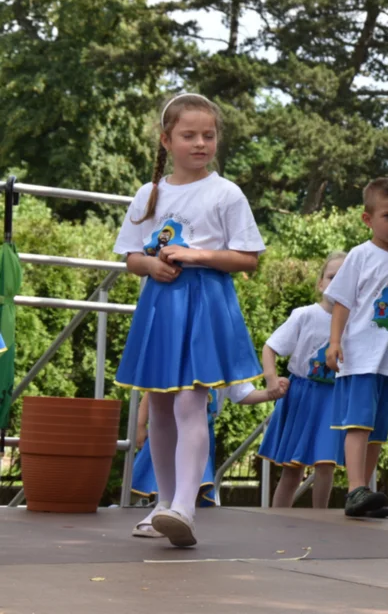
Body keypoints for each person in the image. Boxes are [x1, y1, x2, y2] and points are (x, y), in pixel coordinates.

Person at [113, 92, 267, 548]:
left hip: (205, 305)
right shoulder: (149, 194)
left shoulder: (226, 192)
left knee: (188, 403)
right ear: (166, 140)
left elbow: (248, 258)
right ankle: (163, 505)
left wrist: (195, 255)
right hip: (162, 307)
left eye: (209, 134)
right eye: (189, 135)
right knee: (159, 404)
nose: (200, 143)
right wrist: (151, 266)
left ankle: (185, 505)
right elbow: (130, 256)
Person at [324, 178, 388, 518]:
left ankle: (364, 491)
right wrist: (335, 342)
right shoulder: (360, 256)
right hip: (361, 357)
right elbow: (342, 302)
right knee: (359, 425)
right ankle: (355, 488)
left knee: (378, 431)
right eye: (387, 216)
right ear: (368, 219)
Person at [132, 381, 285, 535]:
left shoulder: (217, 364)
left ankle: (182, 511)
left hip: (198, 434)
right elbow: (153, 390)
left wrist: (270, 393)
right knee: (165, 476)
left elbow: (242, 392)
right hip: (171, 433)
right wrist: (140, 424)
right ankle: (165, 506)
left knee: (198, 483)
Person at [257, 252, 348, 509]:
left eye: (344, 277)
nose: (337, 282)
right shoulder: (304, 315)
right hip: (302, 394)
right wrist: (272, 379)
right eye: (331, 277)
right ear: (320, 283)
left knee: (326, 463)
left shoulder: (355, 322)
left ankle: (321, 519)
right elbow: (270, 347)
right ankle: (278, 519)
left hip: (333, 396)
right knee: (292, 467)